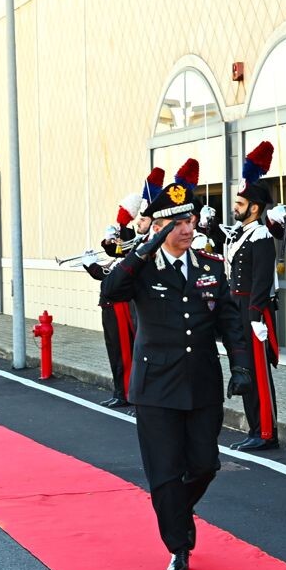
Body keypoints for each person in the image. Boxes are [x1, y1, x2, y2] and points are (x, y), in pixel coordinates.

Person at [100, 158, 253, 570]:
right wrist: (145, 244)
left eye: (189, 220)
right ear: (162, 225)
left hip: (201, 384)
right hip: (155, 388)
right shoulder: (141, 268)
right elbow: (110, 291)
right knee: (165, 472)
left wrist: (242, 368)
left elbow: (231, 323)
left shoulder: (210, 267)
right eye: (177, 222)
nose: (187, 228)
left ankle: (176, 513)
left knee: (205, 465)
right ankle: (178, 544)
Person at [87, 168, 162, 408]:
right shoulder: (137, 240)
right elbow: (117, 252)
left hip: (128, 304)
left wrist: (96, 270)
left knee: (127, 352)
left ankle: (129, 393)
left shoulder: (147, 243)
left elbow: (121, 272)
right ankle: (124, 391)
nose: (138, 222)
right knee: (117, 351)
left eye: (142, 218)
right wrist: (109, 242)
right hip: (118, 302)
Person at [225, 140, 281, 451]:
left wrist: (257, 314)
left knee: (259, 370)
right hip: (238, 306)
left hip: (253, 308)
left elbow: (261, 279)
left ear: (255, 208)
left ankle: (267, 431)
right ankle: (254, 426)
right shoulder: (241, 234)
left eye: (240, 204)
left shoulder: (260, 235)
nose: (235, 207)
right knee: (244, 367)